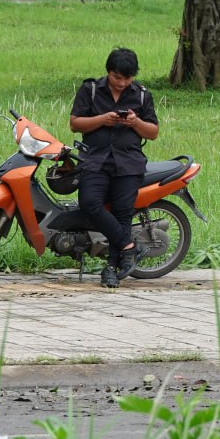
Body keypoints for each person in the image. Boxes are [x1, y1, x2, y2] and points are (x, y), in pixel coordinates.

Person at [69, 48, 159, 288]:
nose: (121, 83)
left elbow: (153, 132)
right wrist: (102, 119)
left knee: (122, 213)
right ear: (108, 72)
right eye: (117, 77)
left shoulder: (142, 95)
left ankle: (111, 269)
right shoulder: (90, 90)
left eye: (127, 78)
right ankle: (129, 247)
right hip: (94, 160)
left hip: (129, 163)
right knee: (89, 203)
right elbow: (75, 124)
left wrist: (135, 122)